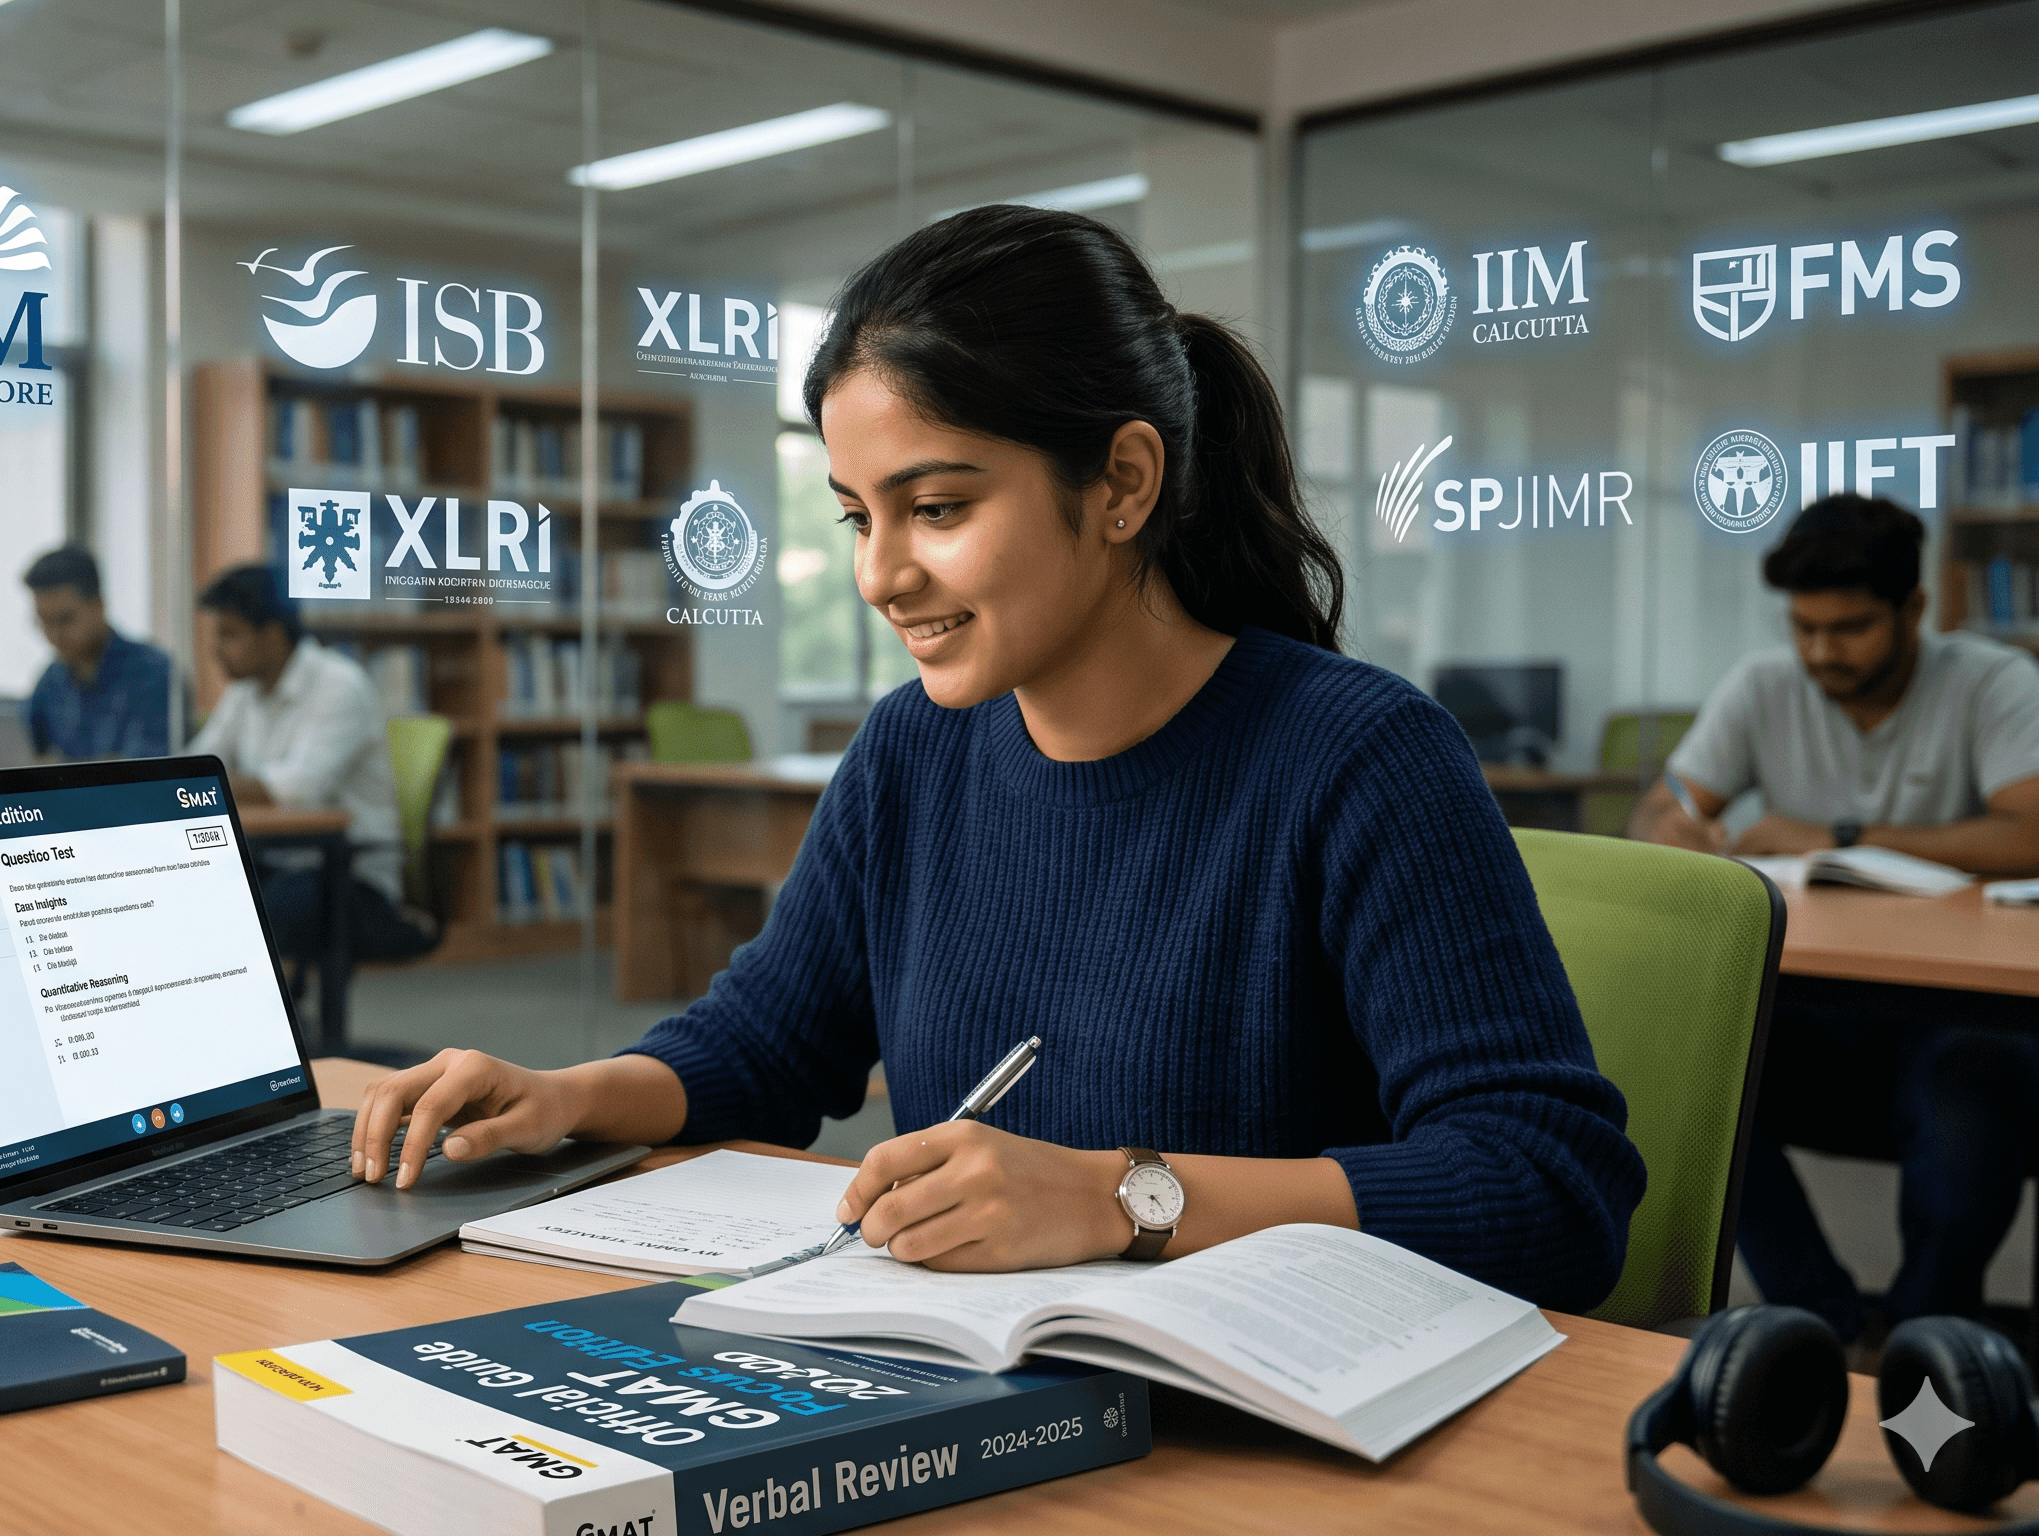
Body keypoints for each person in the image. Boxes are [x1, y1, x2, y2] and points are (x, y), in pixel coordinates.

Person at [346, 206, 1644, 1309]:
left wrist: (1117, 1195)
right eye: (859, 516)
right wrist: (565, 1095)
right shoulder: (918, 746)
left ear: (1123, 481)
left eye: (939, 508)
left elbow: (1550, 1186)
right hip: (979, 1381)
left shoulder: (1358, 757)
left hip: (1266, 1424)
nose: (879, 573)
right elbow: (766, 1042)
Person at [1632, 494, 2039, 1351]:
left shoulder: (1990, 681)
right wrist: (1679, 829)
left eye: (1849, 628)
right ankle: (1825, 1323)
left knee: (1968, 1089)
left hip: (1956, 1009)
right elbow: (1660, 811)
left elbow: (2030, 830)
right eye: (1804, 628)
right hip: (1818, 1004)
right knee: (1693, 1074)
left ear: (1914, 609)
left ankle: (1927, 1333)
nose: (1822, 652)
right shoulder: (1764, 683)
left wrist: (1841, 837)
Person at [190, 564, 439, 965]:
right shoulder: (245, 692)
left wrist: (196, 788)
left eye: (229, 635)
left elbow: (296, 789)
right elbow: (199, 761)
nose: (216, 651)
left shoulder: (340, 686)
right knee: (189, 900)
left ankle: (284, 1023)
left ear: (272, 637)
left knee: (250, 923)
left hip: (351, 875)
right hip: (276, 860)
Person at [23, 545, 179, 761]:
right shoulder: (51, 679)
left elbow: (145, 770)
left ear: (99, 606)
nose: (54, 635)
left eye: (65, 619)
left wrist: (59, 772)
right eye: (44, 622)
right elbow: (24, 749)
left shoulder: (153, 672)